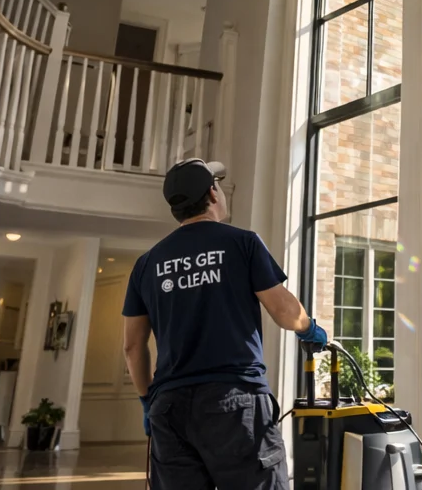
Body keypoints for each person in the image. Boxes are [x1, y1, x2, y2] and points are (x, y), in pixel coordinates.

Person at [124, 158, 328, 490]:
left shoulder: (146, 264)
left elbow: (133, 347)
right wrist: (308, 328)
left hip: (170, 408)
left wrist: (148, 400)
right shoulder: (241, 243)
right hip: (236, 403)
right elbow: (284, 311)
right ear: (212, 193)